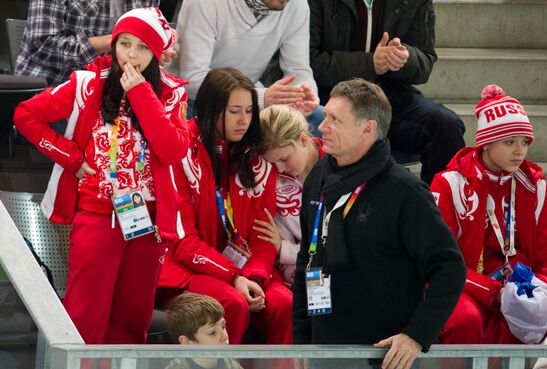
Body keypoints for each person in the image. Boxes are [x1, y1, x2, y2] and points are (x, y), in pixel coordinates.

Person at [14, 8, 189, 345]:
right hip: (97, 214)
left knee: (132, 319)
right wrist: (72, 158)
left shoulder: (172, 93)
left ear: (155, 53)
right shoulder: (87, 82)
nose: (131, 55)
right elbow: (27, 115)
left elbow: (173, 150)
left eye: (142, 48)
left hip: (149, 222)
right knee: (84, 318)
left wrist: (140, 93)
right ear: (114, 45)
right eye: (124, 44)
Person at [292, 78, 466, 369]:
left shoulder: (405, 192)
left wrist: (416, 335)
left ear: (367, 128)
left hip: (385, 357)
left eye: (335, 119)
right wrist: (300, 345)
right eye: (326, 116)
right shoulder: (318, 176)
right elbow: (306, 261)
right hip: (325, 349)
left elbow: (449, 268)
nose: (321, 126)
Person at [156, 68, 293, 345]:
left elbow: (263, 236)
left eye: (250, 111)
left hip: (246, 268)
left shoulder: (257, 155)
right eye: (234, 111)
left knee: (283, 304)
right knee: (232, 304)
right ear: (211, 109)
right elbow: (184, 243)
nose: (244, 121)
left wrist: (252, 275)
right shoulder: (179, 148)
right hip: (186, 270)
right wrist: (235, 277)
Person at [430, 85, 547, 345]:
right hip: (461, 282)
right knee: (466, 321)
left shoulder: (535, 188)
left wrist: (540, 290)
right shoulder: (449, 183)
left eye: (525, 142)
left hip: (514, 283)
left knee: (524, 317)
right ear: (485, 142)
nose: (520, 151)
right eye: (509, 142)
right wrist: (493, 292)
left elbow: (546, 255)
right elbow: (439, 259)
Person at [308, 0, 465, 183]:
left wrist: (403, 58)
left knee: (445, 125)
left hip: (387, 93)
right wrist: (370, 63)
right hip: (330, 94)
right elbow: (308, 62)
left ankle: (440, 207)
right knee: (348, 126)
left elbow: (425, 61)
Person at [168, 0, 320, 120]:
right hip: (194, 100)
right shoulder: (204, 3)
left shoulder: (297, 4)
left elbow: (298, 69)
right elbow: (191, 80)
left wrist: (304, 95)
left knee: (322, 119)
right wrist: (257, 97)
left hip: (252, 97)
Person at [15, 0, 165, 86]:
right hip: (54, 85)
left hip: (115, 91)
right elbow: (42, 47)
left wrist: (154, 49)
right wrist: (111, 41)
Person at [254, 104, 323, 287]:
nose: (280, 169)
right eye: (272, 162)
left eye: (284, 159)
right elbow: (274, 235)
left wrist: (285, 249)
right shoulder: (267, 174)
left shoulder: (336, 164)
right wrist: (283, 249)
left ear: (302, 139)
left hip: (333, 263)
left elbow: (337, 240)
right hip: (296, 270)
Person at [165, 292, 243, 369]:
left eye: (223, 326)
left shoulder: (232, 365)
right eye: (212, 332)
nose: (225, 336)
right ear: (186, 342)